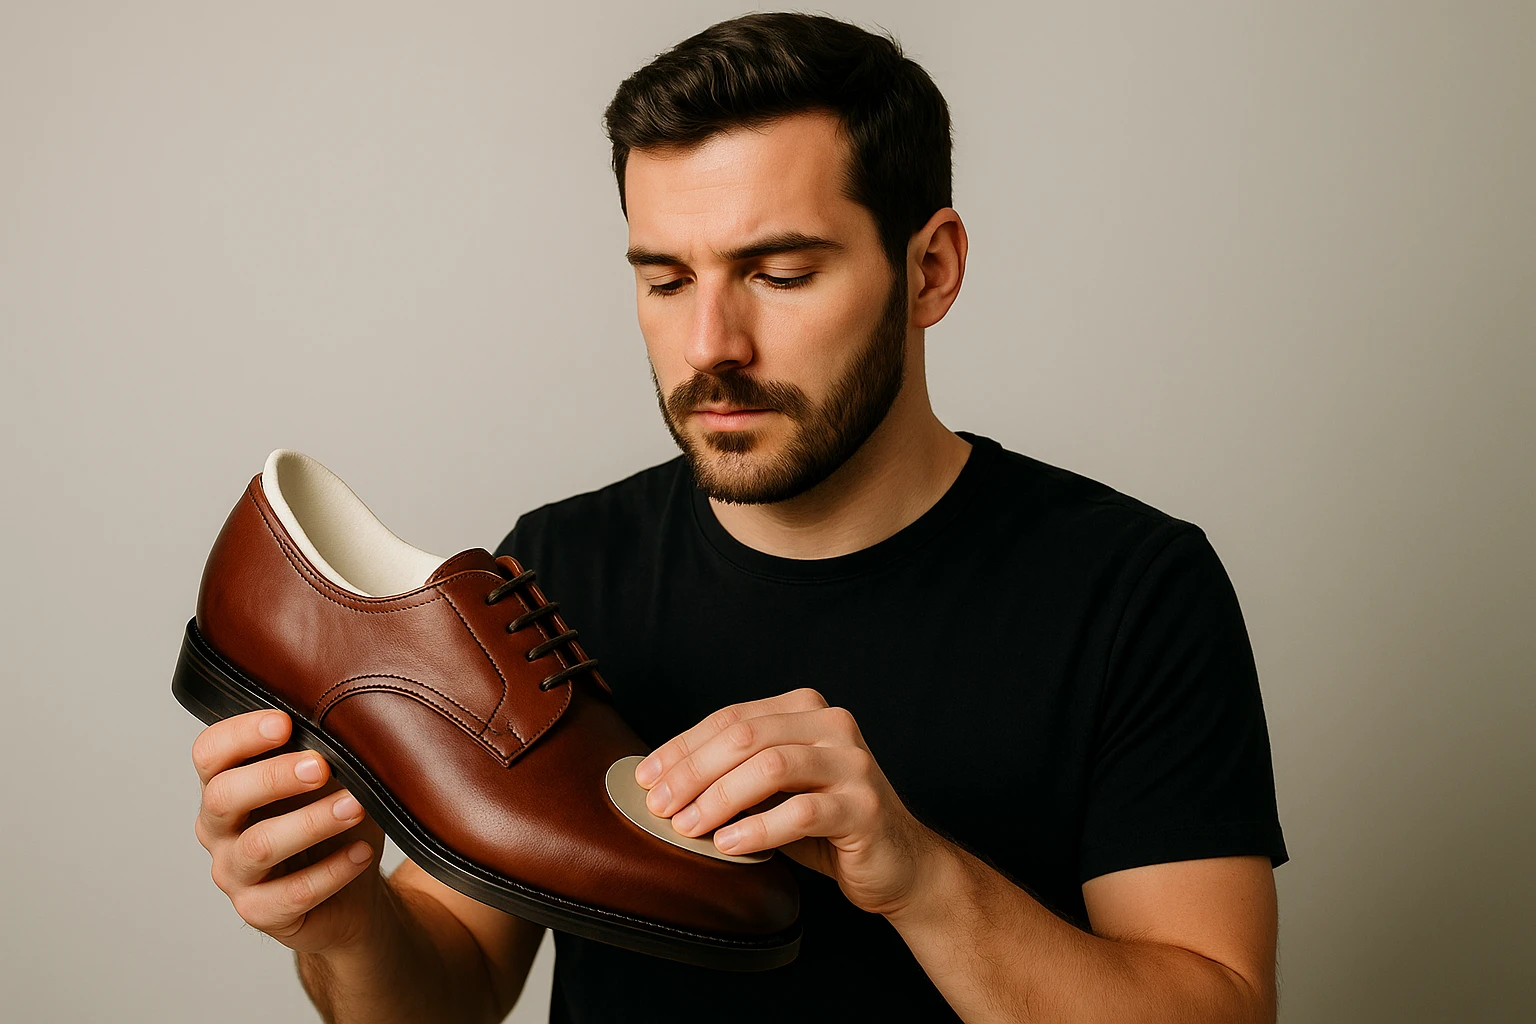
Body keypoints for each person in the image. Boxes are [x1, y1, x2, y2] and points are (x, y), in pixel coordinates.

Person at [188, 12, 1287, 1023]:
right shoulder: (558, 566)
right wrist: (339, 924)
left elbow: (1219, 1007)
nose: (711, 340)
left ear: (931, 269)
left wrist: (916, 872)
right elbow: (454, 992)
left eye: (780, 272)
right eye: (666, 279)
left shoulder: (1135, 585)